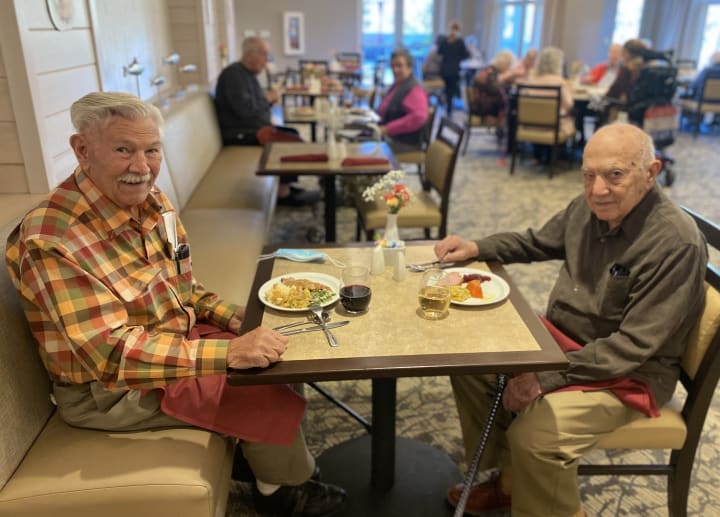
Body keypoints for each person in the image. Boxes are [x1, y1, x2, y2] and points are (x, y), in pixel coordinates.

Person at [5, 91, 346, 517]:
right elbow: (109, 355)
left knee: (279, 348)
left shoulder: (153, 201)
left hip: (170, 341)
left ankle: (266, 463)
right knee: (261, 391)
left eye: (151, 150)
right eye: (123, 150)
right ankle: (281, 492)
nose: (141, 167)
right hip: (111, 392)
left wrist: (232, 316)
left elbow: (183, 286)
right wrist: (229, 352)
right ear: (82, 149)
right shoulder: (52, 238)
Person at [434, 123, 707, 517]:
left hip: (631, 372)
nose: (598, 189)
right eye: (588, 175)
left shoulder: (675, 243)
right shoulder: (590, 207)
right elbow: (536, 241)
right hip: (565, 343)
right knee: (473, 360)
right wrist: (478, 246)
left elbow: (631, 347)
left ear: (651, 172)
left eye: (615, 175)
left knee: (537, 436)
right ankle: (513, 481)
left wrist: (544, 376)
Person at [214, 36, 319, 206]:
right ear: (250, 55)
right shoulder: (233, 75)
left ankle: (285, 185)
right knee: (288, 142)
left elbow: (255, 105)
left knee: (292, 133)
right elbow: (246, 111)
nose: (266, 61)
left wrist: (266, 100)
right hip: (238, 134)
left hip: (250, 129)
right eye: (264, 55)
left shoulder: (245, 74)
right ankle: (284, 195)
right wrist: (268, 99)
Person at [377, 48, 430, 153]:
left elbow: (419, 117)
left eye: (399, 66)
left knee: (364, 148)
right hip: (392, 138)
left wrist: (387, 129)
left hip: (404, 143)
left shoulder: (415, 89)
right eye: (393, 66)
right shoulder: (398, 85)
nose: (395, 70)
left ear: (409, 67)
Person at [469, 50, 515, 121]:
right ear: (504, 64)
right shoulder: (491, 73)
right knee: (512, 109)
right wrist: (503, 78)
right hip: (484, 108)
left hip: (482, 104)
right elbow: (493, 90)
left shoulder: (490, 69)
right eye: (509, 65)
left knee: (510, 104)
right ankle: (508, 129)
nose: (509, 68)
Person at [438, 20, 470, 114]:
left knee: (449, 89)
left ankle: (449, 104)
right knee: (453, 88)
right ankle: (451, 106)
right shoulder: (460, 42)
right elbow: (465, 55)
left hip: (444, 70)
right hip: (454, 70)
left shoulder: (444, 41)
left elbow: (439, 52)